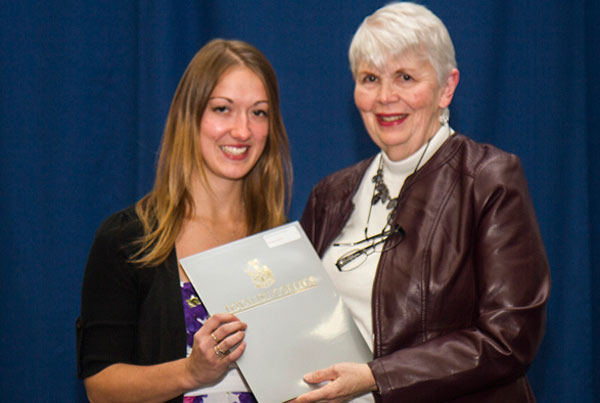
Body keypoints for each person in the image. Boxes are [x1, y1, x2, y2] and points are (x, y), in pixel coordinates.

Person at [297, 2, 550, 402]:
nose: (385, 97)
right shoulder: (330, 194)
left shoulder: (489, 180)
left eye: (405, 77)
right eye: (370, 78)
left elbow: (509, 338)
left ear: (446, 87)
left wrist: (375, 376)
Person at [77, 39, 292, 403]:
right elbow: (100, 387)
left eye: (259, 113)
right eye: (223, 109)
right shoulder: (128, 239)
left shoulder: (282, 243)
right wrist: (191, 372)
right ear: (188, 117)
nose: (242, 131)